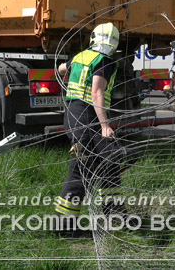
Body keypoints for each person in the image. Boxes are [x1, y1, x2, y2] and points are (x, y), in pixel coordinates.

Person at [53, 22, 126, 233]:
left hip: (76, 115)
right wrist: (105, 126)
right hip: (88, 118)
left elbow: (61, 68)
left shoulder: (81, 56)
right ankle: (64, 227)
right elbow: (97, 92)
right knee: (81, 171)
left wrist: (72, 76)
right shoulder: (105, 61)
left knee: (109, 162)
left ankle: (115, 215)